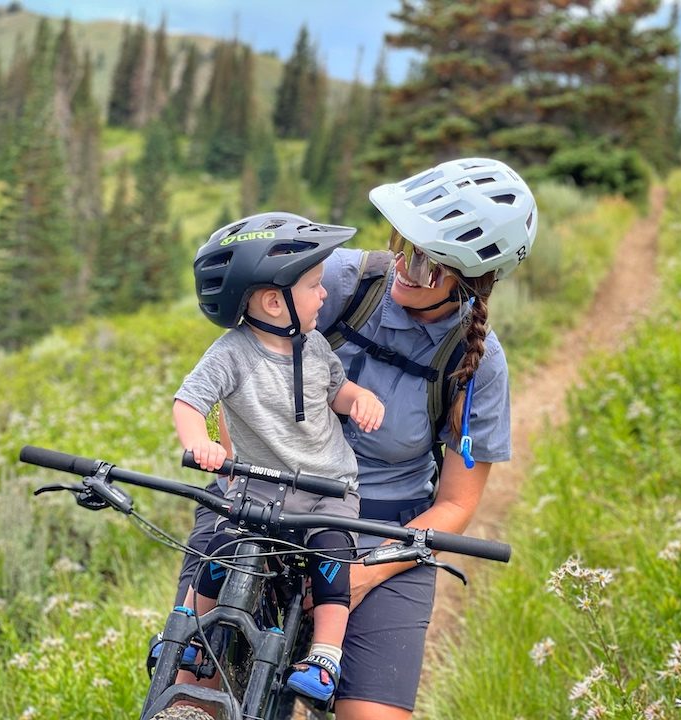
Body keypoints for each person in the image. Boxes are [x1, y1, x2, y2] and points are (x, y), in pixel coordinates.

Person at [173, 157, 537, 719]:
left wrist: (364, 573)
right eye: (400, 242)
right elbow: (238, 367)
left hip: (380, 527)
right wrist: (232, 464)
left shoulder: (478, 364)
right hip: (262, 494)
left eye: (426, 263)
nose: (403, 266)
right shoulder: (335, 281)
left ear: (471, 281)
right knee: (191, 683)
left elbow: (457, 504)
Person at [171, 211, 385, 707]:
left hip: (328, 485)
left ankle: (324, 655)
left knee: (333, 554)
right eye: (314, 285)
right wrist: (201, 444)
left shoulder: (314, 347)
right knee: (219, 546)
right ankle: (186, 629)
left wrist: (360, 400)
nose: (324, 294)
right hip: (257, 483)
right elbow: (189, 400)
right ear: (275, 300)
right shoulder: (231, 353)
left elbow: (338, 391)